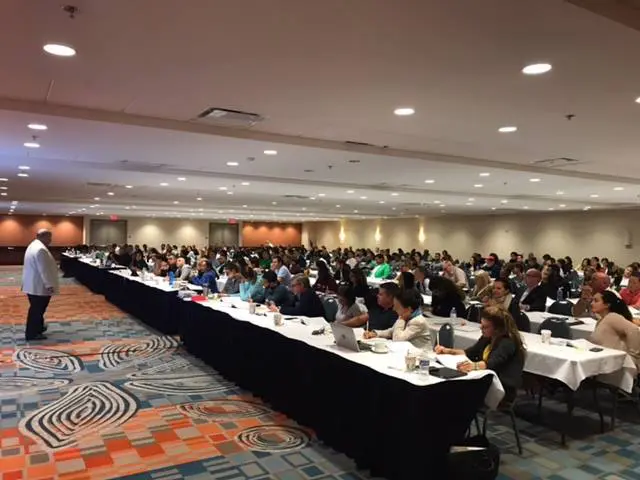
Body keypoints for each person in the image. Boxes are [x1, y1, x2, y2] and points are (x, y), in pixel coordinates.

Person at [435, 306, 526, 394]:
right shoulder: (487, 337)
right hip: (486, 380)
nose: (481, 328)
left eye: (485, 327)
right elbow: (469, 353)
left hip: (502, 387)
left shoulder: (508, 342)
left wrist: (473, 366)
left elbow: (492, 363)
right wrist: (447, 351)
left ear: (498, 329)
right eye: (481, 325)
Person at [22, 229, 59, 341]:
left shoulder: (33, 245)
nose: (50, 240)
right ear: (43, 237)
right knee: (37, 310)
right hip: (39, 286)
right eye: (49, 237)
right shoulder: (40, 249)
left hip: (32, 284)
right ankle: (32, 333)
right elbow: (44, 270)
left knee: (37, 309)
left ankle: (38, 328)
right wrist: (49, 285)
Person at [589, 291, 640, 369]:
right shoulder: (601, 320)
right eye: (592, 300)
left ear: (607, 305)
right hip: (606, 362)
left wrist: (634, 356)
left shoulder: (613, 317)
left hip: (616, 365)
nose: (592, 303)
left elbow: (634, 330)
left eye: (596, 301)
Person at [363, 289, 429, 348]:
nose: (394, 309)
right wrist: (375, 334)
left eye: (397, 306)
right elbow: (392, 331)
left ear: (408, 309)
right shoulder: (406, 315)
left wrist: (401, 319)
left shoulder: (418, 321)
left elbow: (397, 340)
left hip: (418, 356)